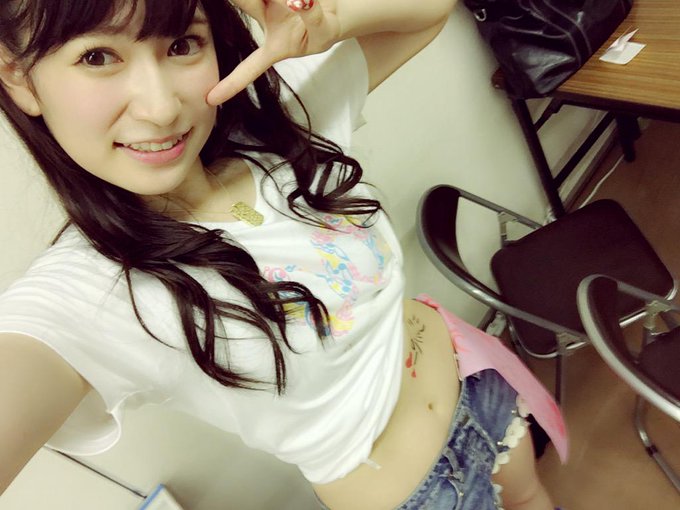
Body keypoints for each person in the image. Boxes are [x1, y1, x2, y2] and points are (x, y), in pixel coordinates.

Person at [0, 1, 564, 508]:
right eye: (97, 57)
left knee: (535, 498)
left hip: (474, 377)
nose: (161, 107)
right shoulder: (90, 290)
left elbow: (430, 10)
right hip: (422, 495)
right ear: (17, 75)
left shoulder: (278, 125)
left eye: (182, 44)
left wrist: (333, 19)